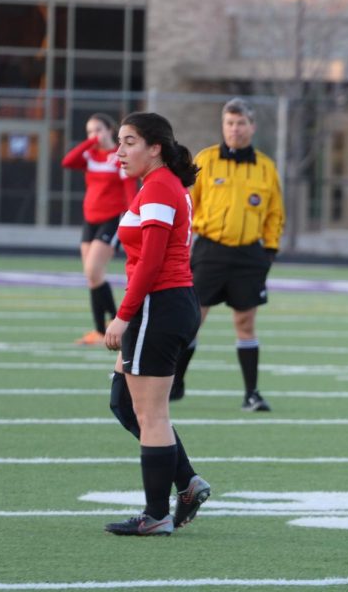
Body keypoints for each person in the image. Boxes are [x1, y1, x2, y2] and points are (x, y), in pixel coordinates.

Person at [102, 112, 209, 536]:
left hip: (157, 305)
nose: (120, 151)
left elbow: (152, 261)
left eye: (129, 142)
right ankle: (187, 483)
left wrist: (123, 315)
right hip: (164, 304)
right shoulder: (157, 187)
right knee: (124, 403)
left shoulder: (161, 188)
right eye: (120, 142)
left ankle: (156, 513)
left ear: (155, 147)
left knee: (151, 413)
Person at [171, 98, 285, 411]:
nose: (235, 129)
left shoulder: (265, 167)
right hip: (210, 251)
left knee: (245, 323)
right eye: (229, 123)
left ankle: (252, 393)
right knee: (194, 319)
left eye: (241, 123)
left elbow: (275, 212)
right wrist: (182, 245)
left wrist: (270, 249)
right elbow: (188, 205)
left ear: (252, 126)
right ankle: (176, 381)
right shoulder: (206, 160)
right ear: (223, 126)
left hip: (249, 255)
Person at [61, 113, 137, 345]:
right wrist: (90, 142)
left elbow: (129, 191)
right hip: (90, 219)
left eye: (98, 130)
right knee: (92, 277)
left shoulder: (119, 157)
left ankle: (116, 324)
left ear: (110, 131)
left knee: (94, 270)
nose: (94, 135)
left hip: (111, 219)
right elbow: (68, 162)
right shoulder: (90, 155)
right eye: (89, 131)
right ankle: (100, 331)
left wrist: (133, 218)